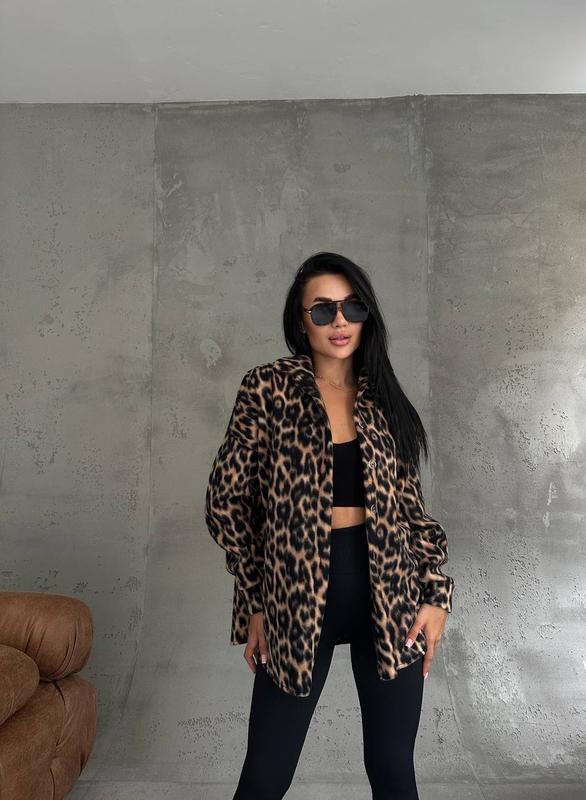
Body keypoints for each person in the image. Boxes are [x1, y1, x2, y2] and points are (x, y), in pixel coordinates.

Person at [204, 251, 455, 800]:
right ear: (301, 322)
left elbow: (413, 513)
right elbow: (226, 503)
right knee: (265, 774)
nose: (339, 321)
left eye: (352, 307)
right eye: (322, 310)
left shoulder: (383, 398)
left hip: (391, 598)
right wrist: (255, 601)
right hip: (296, 599)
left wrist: (436, 598)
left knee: (393, 768)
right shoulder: (268, 389)